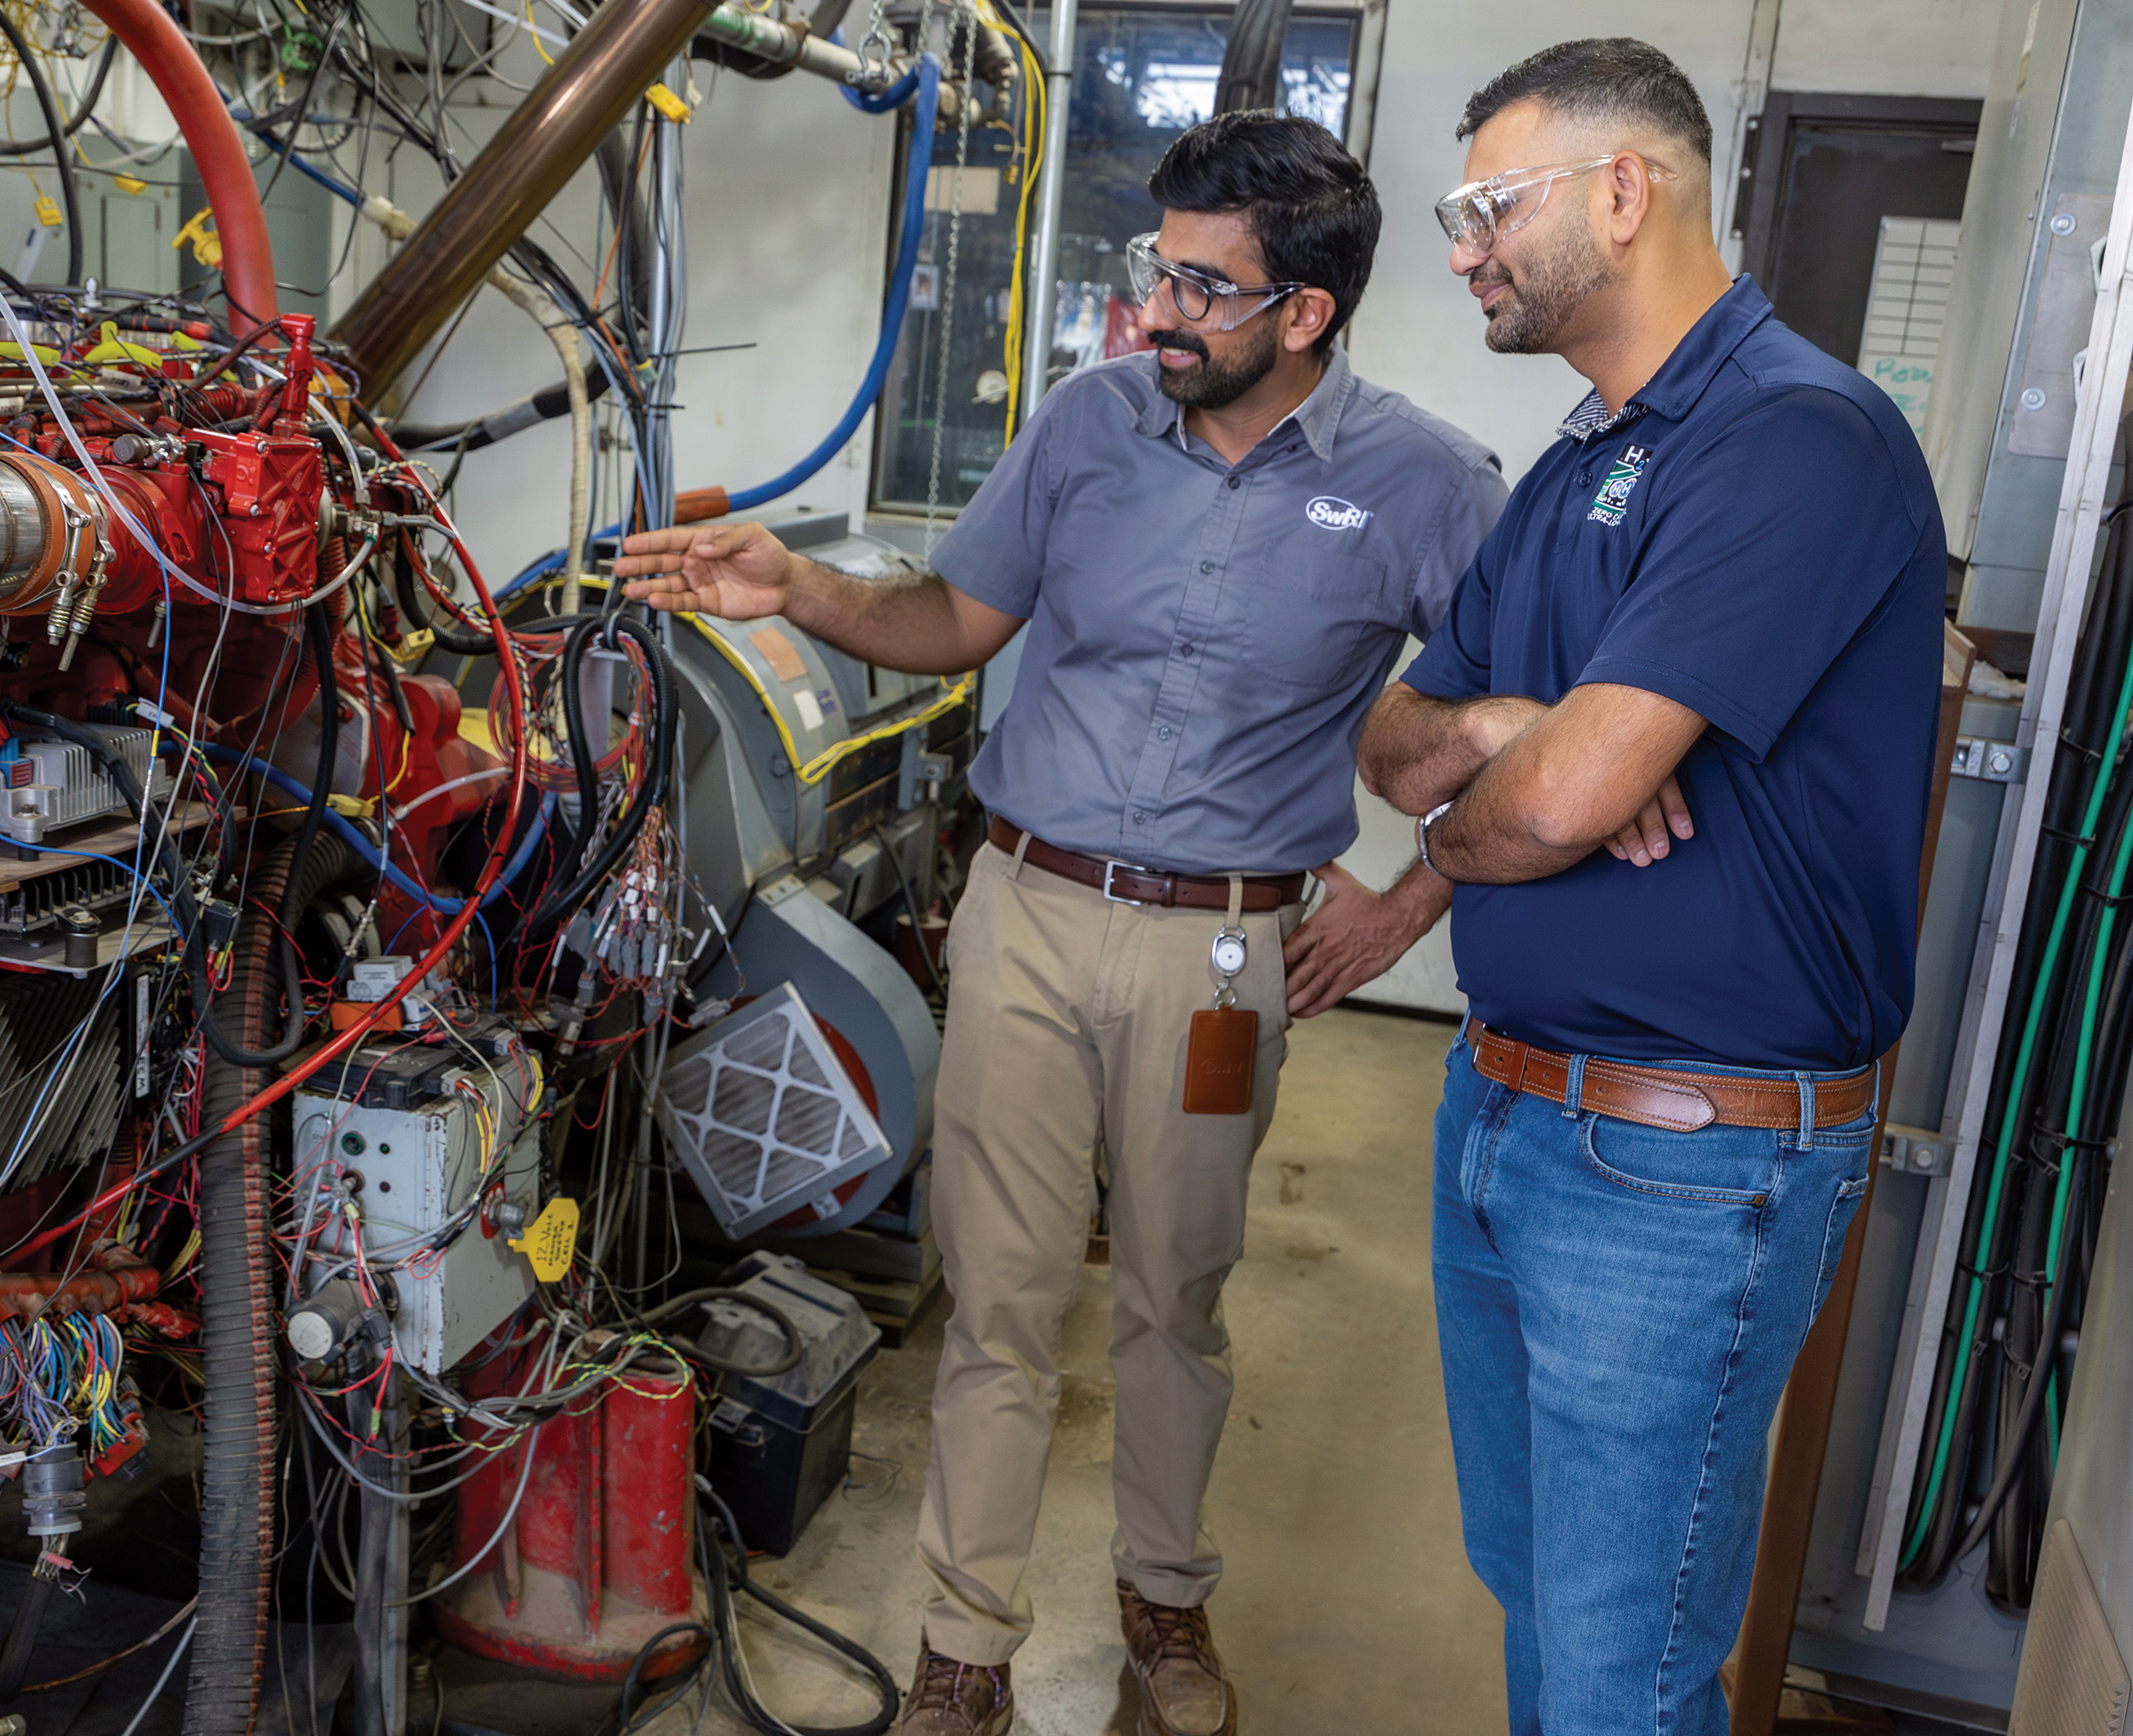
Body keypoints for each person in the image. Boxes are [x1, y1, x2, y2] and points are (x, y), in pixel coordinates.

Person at [617, 114, 1503, 1736]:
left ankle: (1165, 1612)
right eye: (1150, 268)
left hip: (1223, 958)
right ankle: (967, 1643)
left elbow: (1516, 723)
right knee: (1000, 1299)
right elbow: (954, 624)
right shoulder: (1089, 426)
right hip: (1025, 911)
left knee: (1178, 1298)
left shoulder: (1428, 485)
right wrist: (796, 592)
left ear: (1302, 314)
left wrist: (1416, 895)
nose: (1149, 312)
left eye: (1195, 284)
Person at [1353, 39, 1946, 1736]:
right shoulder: (1573, 467)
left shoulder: (1795, 439)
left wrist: (1517, 809)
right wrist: (1493, 735)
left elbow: (1557, 803)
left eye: (1489, 206)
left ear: (1627, 191)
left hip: (1681, 1163)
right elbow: (1394, 743)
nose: (1461, 247)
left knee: (1625, 1664)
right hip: (1511, 1112)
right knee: (1542, 1597)